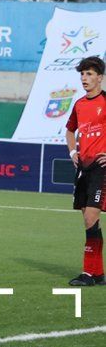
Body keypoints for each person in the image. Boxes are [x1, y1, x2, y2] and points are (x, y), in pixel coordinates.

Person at [66, 57, 106, 287]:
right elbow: (70, 130)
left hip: (102, 169)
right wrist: (73, 153)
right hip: (84, 169)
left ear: (99, 77)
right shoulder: (80, 104)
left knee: (91, 217)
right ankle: (98, 273)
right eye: (82, 74)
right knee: (88, 220)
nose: (84, 78)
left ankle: (88, 273)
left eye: (89, 74)